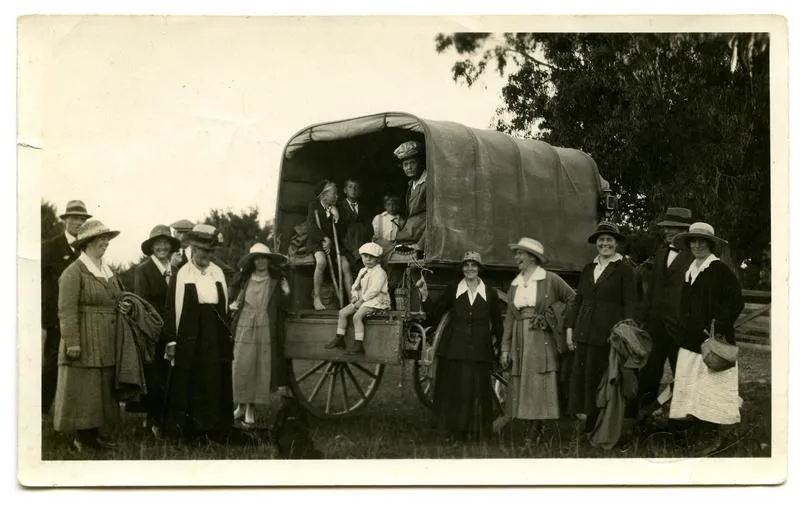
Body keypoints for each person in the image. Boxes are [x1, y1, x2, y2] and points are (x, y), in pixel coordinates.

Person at [668, 222, 744, 455]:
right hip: (690, 341)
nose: (698, 245)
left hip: (713, 342)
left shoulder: (718, 269)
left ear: (711, 245)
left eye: (702, 241)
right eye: (694, 241)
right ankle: (691, 429)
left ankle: (715, 434)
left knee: (712, 386)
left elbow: (735, 302)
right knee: (690, 383)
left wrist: (717, 325)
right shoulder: (691, 269)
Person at [415, 251, 504, 442]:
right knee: (453, 392)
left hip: (479, 351)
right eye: (466, 265)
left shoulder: (490, 292)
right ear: (462, 268)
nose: (470, 268)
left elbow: (497, 323)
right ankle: (451, 433)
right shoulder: (454, 288)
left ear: (479, 268)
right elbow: (435, 314)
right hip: (453, 350)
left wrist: (500, 346)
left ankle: (472, 433)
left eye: (473, 265)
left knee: (475, 392)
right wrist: (424, 296)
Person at [53, 219, 122, 452]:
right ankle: (81, 438)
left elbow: (117, 298)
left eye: (107, 239)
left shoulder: (106, 270)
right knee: (84, 389)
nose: (106, 242)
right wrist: (72, 342)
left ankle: (95, 436)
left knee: (100, 389)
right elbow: (66, 310)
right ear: (88, 242)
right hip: (84, 339)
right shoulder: (73, 272)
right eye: (101, 238)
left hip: (105, 341)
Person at [161, 224, 234, 442]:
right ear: (193, 249)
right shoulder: (182, 274)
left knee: (214, 378)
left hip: (214, 335)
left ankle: (214, 428)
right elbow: (171, 309)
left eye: (211, 252)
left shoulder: (217, 272)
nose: (207, 256)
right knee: (189, 379)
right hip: (191, 335)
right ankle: (189, 430)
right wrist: (172, 340)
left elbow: (224, 307)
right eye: (203, 251)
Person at [498, 238, 575, 443]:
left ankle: (535, 430)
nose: (516, 258)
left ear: (532, 257)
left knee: (538, 382)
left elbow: (573, 299)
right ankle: (531, 428)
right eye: (516, 254)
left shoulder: (550, 279)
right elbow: (510, 318)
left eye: (520, 254)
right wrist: (505, 348)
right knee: (524, 383)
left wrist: (551, 315)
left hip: (541, 338)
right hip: (519, 338)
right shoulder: (515, 285)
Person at [566, 221, 638, 435]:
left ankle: (602, 425)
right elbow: (578, 300)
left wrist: (626, 334)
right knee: (583, 377)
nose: (605, 243)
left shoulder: (625, 269)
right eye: (601, 240)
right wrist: (570, 328)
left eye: (609, 240)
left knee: (601, 378)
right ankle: (588, 420)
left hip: (608, 334)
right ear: (596, 243)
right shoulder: (589, 268)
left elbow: (631, 304)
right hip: (584, 331)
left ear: (616, 244)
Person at [636, 207, 694, 421]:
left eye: (675, 228)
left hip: (680, 328)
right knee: (649, 373)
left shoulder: (694, 255)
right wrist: (642, 319)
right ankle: (644, 417)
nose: (668, 231)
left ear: (685, 231)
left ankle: (681, 422)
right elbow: (652, 290)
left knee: (683, 375)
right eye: (667, 227)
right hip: (654, 326)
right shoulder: (661, 251)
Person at [229, 243, 291, 427]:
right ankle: (240, 405)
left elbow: (283, 307)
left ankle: (250, 409)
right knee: (241, 364)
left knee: (258, 367)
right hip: (244, 324)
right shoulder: (244, 278)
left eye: (264, 258)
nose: (261, 261)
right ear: (252, 261)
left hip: (265, 326)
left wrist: (286, 292)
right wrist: (233, 305)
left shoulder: (276, 280)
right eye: (257, 258)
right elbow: (235, 299)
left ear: (269, 260)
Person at [41, 199, 92, 416]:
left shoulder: (88, 248)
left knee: (77, 365)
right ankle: (42, 411)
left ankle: (72, 412)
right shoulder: (50, 247)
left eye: (82, 218)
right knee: (52, 364)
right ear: (65, 220)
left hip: (82, 318)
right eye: (74, 218)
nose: (78, 222)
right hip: (55, 318)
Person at [132, 224, 181, 434]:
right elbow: (142, 305)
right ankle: (152, 421)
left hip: (174, 332)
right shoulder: (143, 271)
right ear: (151, 248)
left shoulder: (177, 271)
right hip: (152, 332)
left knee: (170, 375)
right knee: (154, 376)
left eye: (166, 244)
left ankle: (166, 419)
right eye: (158, 244)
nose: (162, 248)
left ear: (170, 247)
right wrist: (156, 331)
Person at [326, 242, 390, 355]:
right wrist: (355, 296)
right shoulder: (362, 271)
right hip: (362, 301)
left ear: (378, 259)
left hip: (375, 301)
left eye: (372, 257)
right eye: (365, 256)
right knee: (342, 313)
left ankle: (358, 344)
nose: (368, 259)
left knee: (357, 316)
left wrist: (361, 301)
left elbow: (374, 290)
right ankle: (340, 338)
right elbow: (355, 286)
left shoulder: (380, 273)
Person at [306, 179, 353, 310]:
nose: (337, 196)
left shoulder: (340, 208)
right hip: (317, 242)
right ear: (323, 195)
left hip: (335, 244)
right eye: (334, 194)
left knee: (345, 266)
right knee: (321, 262)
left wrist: (337, 217)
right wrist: (324, 238)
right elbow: (311, 228)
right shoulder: (314, 206)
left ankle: (352, 301)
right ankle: (317, 299)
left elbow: (343, 232)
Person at [393, 140, 427, 252]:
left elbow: (434, 220)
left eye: (412, 163)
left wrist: (421, 245)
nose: (409, 168)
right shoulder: (411, 185)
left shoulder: (428, 184)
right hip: (409, 236)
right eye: (405, 164)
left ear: (420, 163)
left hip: (420, 239)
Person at [338, 178, 373, 269]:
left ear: (360, 191)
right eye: (350, 187)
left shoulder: (364, 208)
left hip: (362, 243)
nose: (353, 190)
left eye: (356, 187)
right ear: (345, 190)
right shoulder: (339, 207)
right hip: (346, 245)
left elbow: (369, 228)